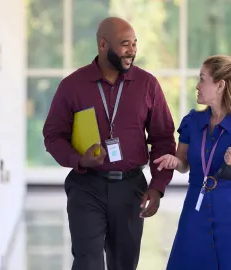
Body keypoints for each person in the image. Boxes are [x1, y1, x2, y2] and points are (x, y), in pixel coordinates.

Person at [42, 17, 176, 270]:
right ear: (103, 44)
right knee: (88, 262)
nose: (133, 50)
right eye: (125, 44)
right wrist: (79, 160)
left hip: (131, 188)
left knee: (123, 264)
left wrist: (158, 187)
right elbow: (53, 135)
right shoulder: (73, 86)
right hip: (86, 186)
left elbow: (163, 139)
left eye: (135, 44)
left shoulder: (148, 85)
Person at [154, 55, 231, 270]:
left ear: (220, 86)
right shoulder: (192, 122)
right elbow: (184, 163)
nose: (197, 86)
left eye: (202, 79)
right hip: (196, 209)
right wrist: (174, 161)